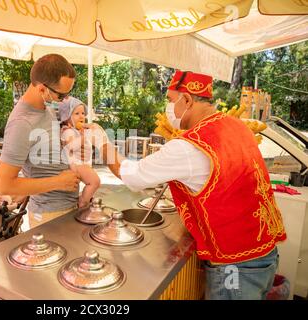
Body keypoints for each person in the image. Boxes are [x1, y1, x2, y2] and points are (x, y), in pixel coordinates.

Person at [88, 70, 287, 300]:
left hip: (234, 268)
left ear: (188, 100)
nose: (168, 109)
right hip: (265, 254)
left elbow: (132, 175)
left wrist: (102, 142)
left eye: (171, 101)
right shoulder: (237, 126)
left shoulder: (190, 145)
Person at [0, 54, 80, 230]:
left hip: (67, 207)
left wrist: (68, 150)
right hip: (49, 214)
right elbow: (4, 185)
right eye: (61, 94)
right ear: (42, 89)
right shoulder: (22, 123)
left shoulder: (46, 109)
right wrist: (59, 182)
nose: (66, 99)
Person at [59, 96, 100, 208]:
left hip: (81, 163)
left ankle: (86, 199)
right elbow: (72, 146)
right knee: (95, 182)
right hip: (75, 165)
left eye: (82, 113)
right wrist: (83, 136)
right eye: (76, 113)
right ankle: (82, 202)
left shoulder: (78, 131)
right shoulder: (67, 131)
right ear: (67, 117)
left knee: (93, 182)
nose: (81, 116)